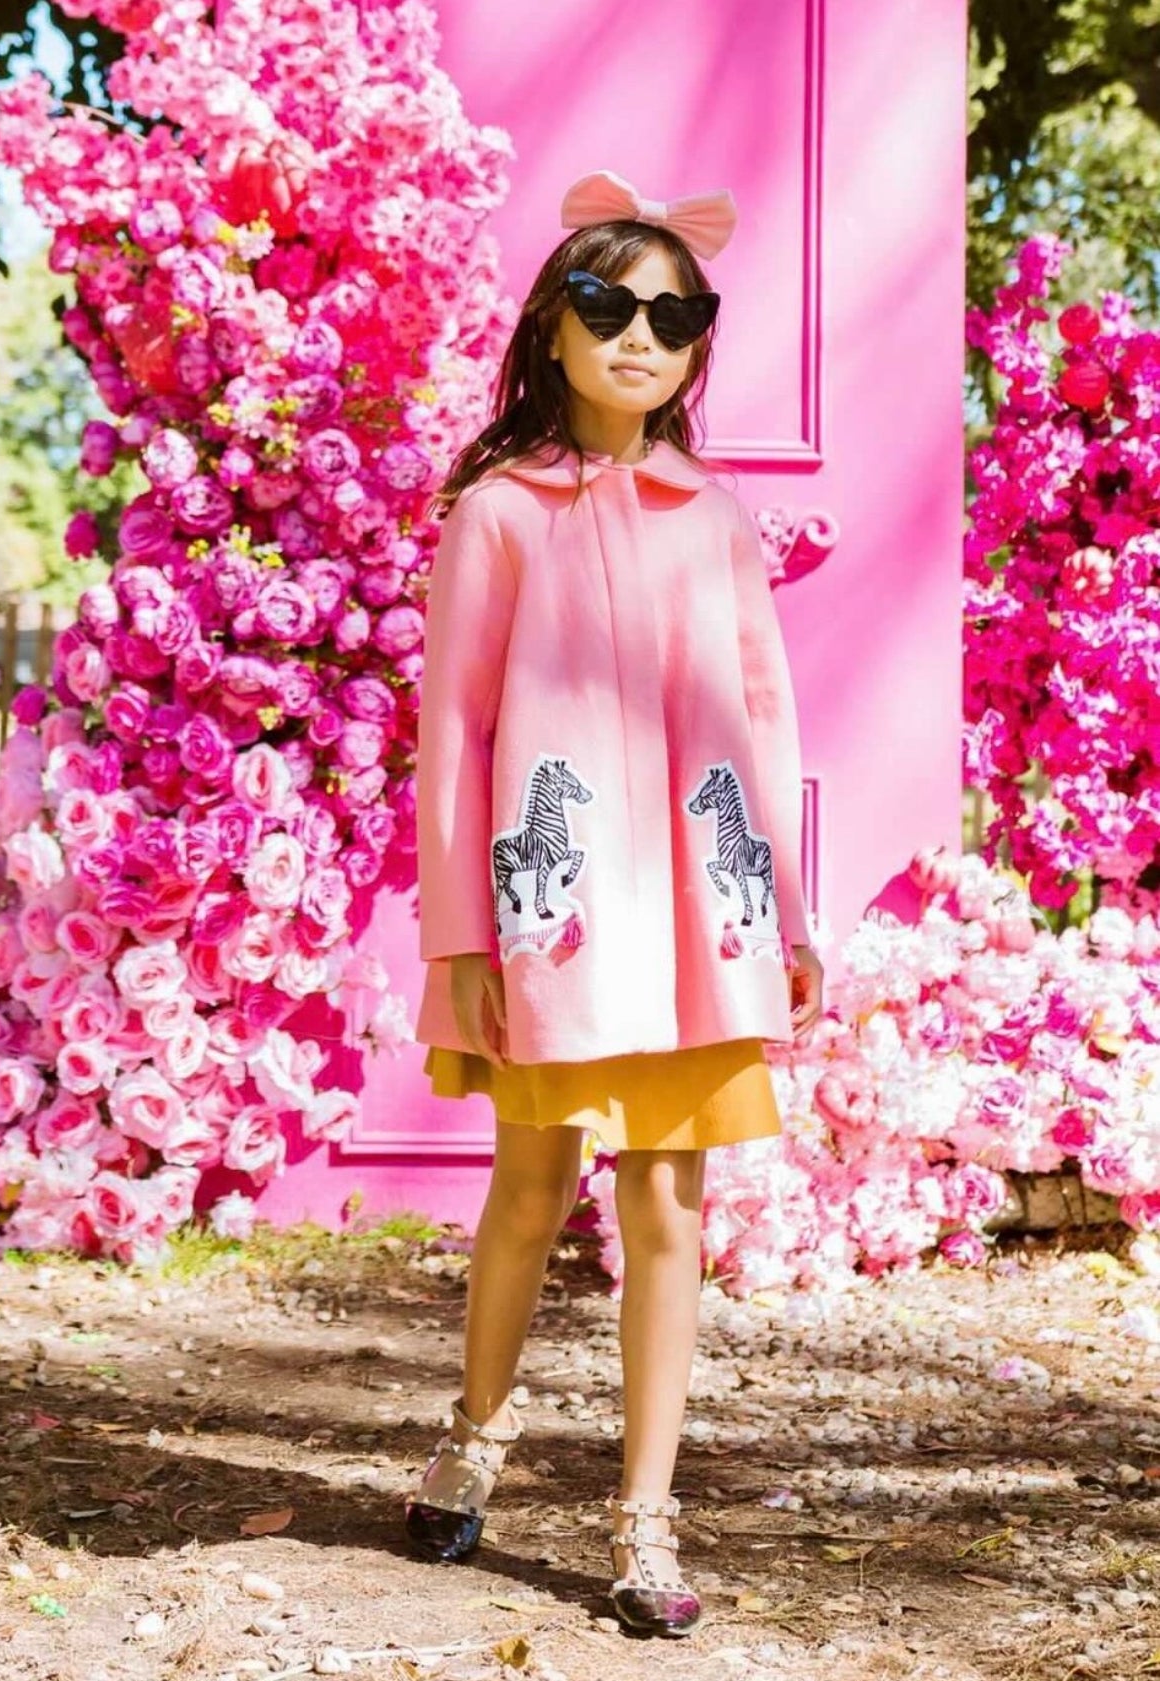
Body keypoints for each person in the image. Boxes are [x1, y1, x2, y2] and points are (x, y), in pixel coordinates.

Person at [403, 167, 825, 1637]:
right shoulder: (497, 515)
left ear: (697, 342)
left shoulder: (716, 519)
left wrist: (791, 915)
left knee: (668, 1203)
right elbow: (454, 732)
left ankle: (647, 1516)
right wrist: (461, 935)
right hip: (560, 923)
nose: (640, 336)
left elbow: (764, 722)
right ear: (553, 325)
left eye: (673, 316)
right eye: (607, 305)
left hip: (701, 927)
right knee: (530, 1185)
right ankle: (473, 1439)